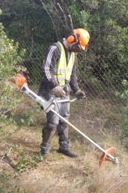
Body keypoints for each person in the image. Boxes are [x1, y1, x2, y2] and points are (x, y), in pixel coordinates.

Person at [38, 28, 90, 159]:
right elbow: (46, 69)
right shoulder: (55, 48)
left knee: (64, 119)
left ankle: (64, 147)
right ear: (72, 39)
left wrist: (76, 90)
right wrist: (54, 86)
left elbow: (72, 74)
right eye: (78, 46)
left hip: (64, 90)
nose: (79, 49)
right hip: (50, 89)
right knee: (53, 122)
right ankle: (44, 150)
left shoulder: (73, 54)